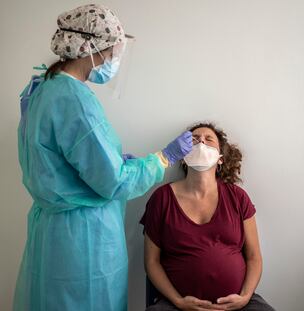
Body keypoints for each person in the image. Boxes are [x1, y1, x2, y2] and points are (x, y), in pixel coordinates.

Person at [13, 4, 192, 311]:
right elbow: (114, 182)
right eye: (112, 50)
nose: (113, 59)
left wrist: (111, 159)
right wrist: (162, 159)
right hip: (82, 241)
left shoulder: (43, 88)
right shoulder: (75, 101)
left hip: (52, 233)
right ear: (90, 47)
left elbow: (54, 159)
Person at [140, 123, 275, 311]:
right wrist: (178, 301)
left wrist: (244, 297)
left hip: (237, 305)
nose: (201, 141)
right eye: (194, 139)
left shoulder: (238, 197)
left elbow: (254, 257)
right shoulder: (162, 198)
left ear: (220, 158)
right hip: (177, 305)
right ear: (183, 157)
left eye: (209, 139)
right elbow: (151, 262)